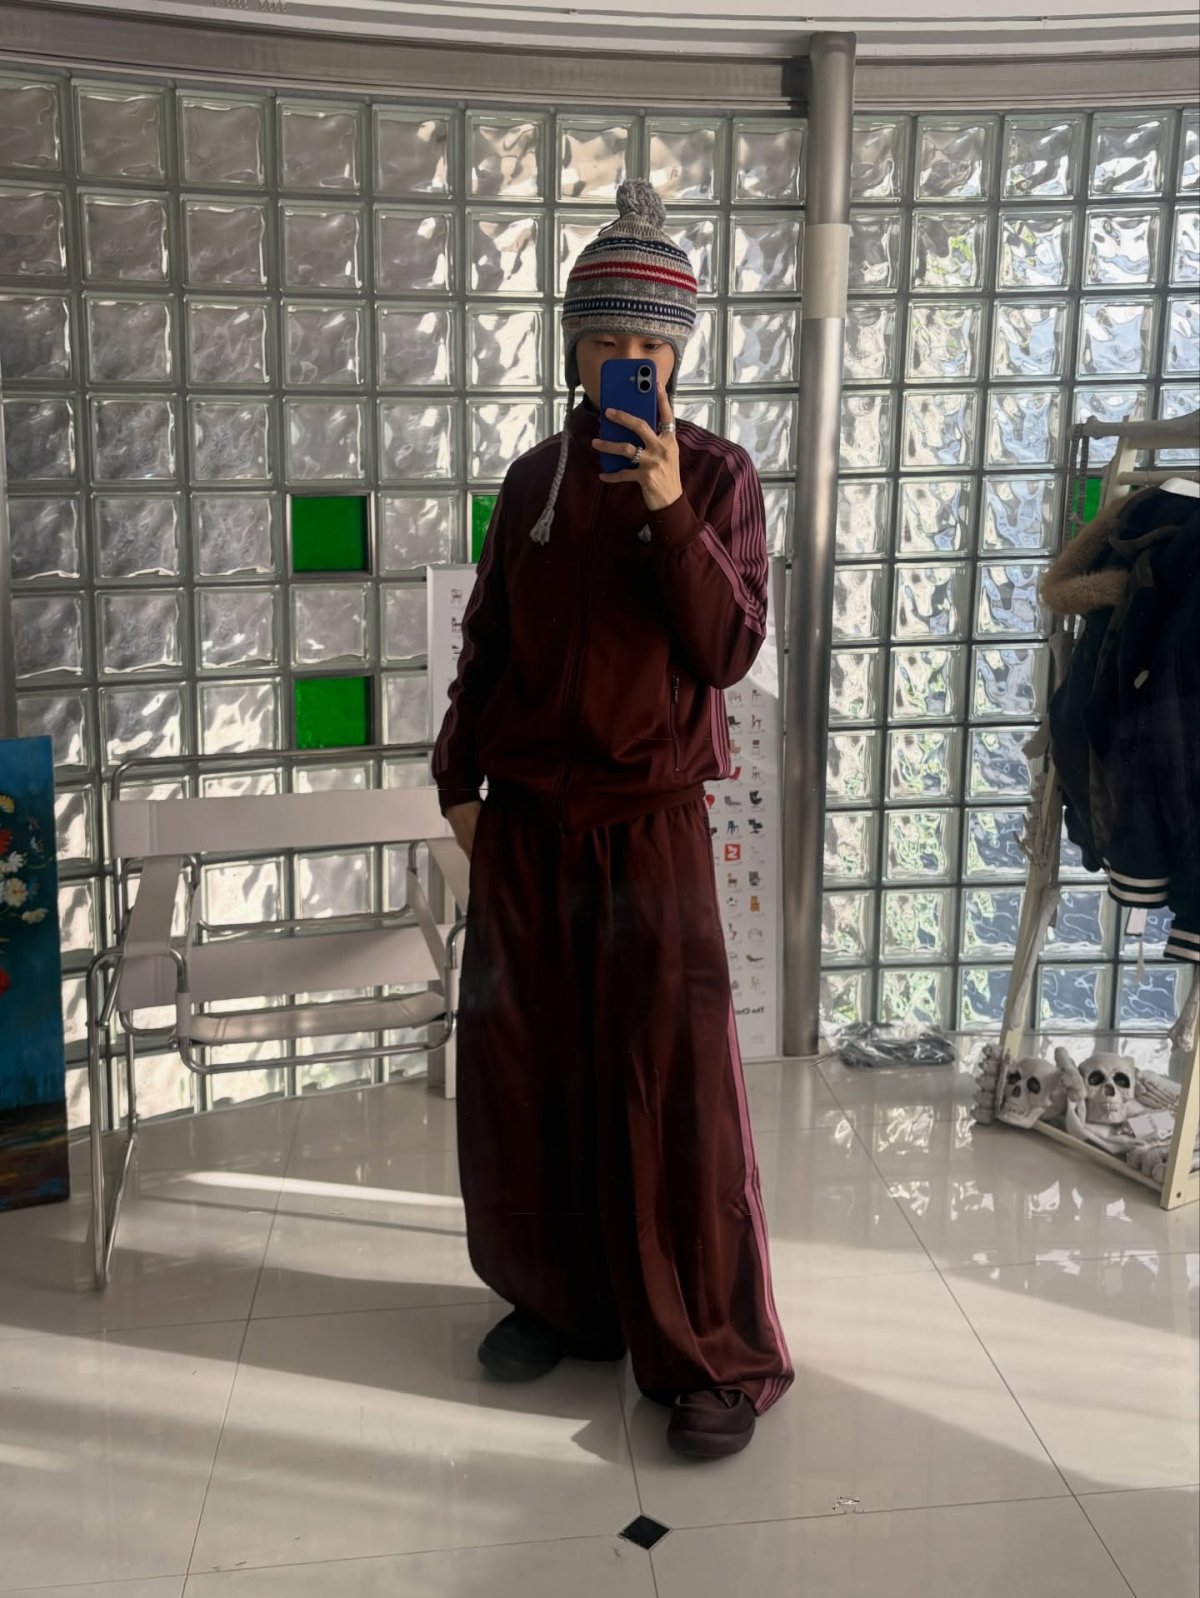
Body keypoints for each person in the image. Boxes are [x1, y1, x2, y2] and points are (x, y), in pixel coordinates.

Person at [433, 179, 792, 1461]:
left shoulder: (720, 476)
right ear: (573, 347)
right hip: (527, 826)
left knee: (673, 1084)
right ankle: (557, 1297)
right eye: (606, 340)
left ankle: (713, 1352)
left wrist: (666, 507)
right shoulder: (532, 478)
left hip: (652, 826)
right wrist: (458, 783)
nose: (627, 360)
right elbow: (487, 642)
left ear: (677, 357)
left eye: (650, 343)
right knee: (527, 1072)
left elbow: (729, 647)